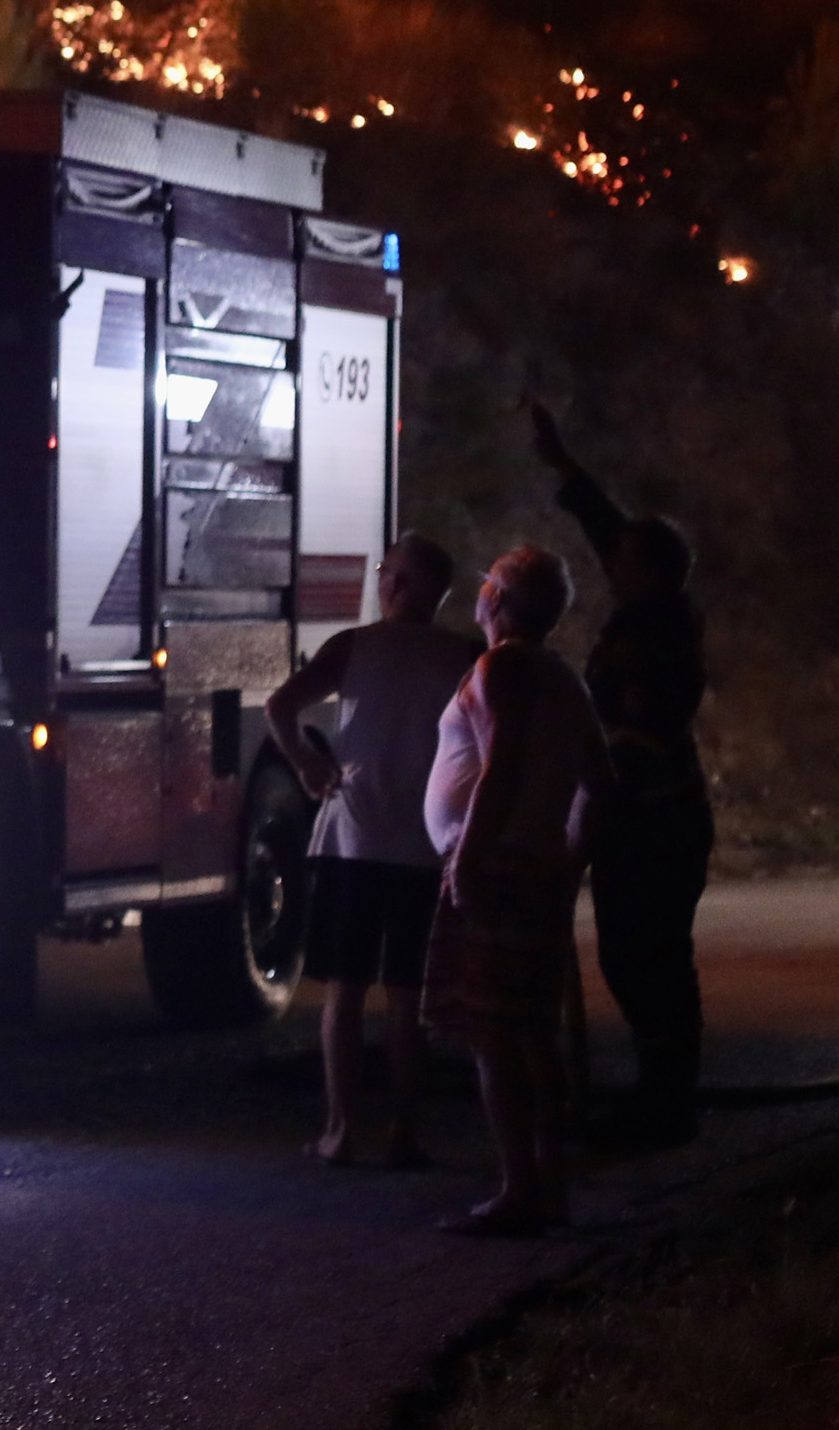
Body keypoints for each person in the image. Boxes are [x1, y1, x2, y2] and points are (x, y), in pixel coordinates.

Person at [529, 400, 713, 1149]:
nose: (611, 564)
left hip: (658, 821)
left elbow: (642, 737)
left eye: (626, 560)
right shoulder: (647, 608)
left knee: (651, 957)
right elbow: (610, 530)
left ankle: (669, 1104)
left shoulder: (664, 633)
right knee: (628, 954)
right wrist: (563, 463)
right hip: (634, 818)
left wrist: (584, 780)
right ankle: (660, 1094)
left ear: (653, 572)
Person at [267, 539, 481, 1168]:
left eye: (395, 574)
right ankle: (398, 1132)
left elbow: (282, 705)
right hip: (418, 845)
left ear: (422, 587)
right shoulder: (466, 656)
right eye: (387, 572)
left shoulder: (356, 647)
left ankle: (345, 1130)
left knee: (352, 991)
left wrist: (306, 761)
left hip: (362, 840)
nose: (386, 583)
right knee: (402, 995)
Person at [421, 541, 608, 1235]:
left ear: (496, 598)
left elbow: (501, 765)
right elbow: (600, 785)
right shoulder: (565, 678)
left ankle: (520, 1190)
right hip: (533, 872)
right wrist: (567, 863)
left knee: (495, 1035)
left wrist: (469, 859)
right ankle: (547, 1186)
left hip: (494, 870)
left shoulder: (501, 667)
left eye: (486, 584)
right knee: (532, 1031)